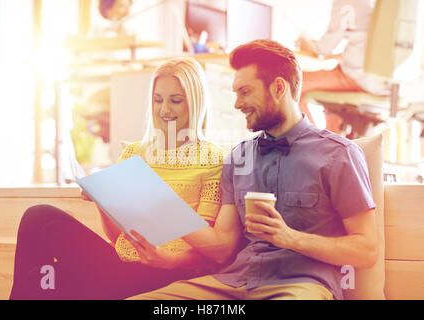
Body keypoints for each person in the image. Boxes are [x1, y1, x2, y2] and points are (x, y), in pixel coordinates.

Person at [127, 39, 379, 300]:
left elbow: (366, 250)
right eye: (236, 93)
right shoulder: (239, 157)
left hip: (301, 285)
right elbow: (222, 247)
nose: (237, 104)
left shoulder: (339, 154)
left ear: (279, 88)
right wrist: (161, 203)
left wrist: (290, 238)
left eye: (245, 92)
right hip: (234, 284)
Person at [9, 57, 226, 300]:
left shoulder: (212, 159)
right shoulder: (134, 153)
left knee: (44, 271)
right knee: (39, 250)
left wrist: (171, 261)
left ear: (195, 103)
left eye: (175, 100)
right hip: (120, 265)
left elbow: (211, 246)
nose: (164, 110)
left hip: (166, 272)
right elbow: (117, 237)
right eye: (158, 100)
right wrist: (102, 201)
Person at [296, 0, 390, 134]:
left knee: (293, 84)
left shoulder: (347, 2)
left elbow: (323, 49)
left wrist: (305, 42)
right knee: (331, 102)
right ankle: (331, 146)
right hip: (385, 84)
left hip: (358, 78)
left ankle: (314, 142)